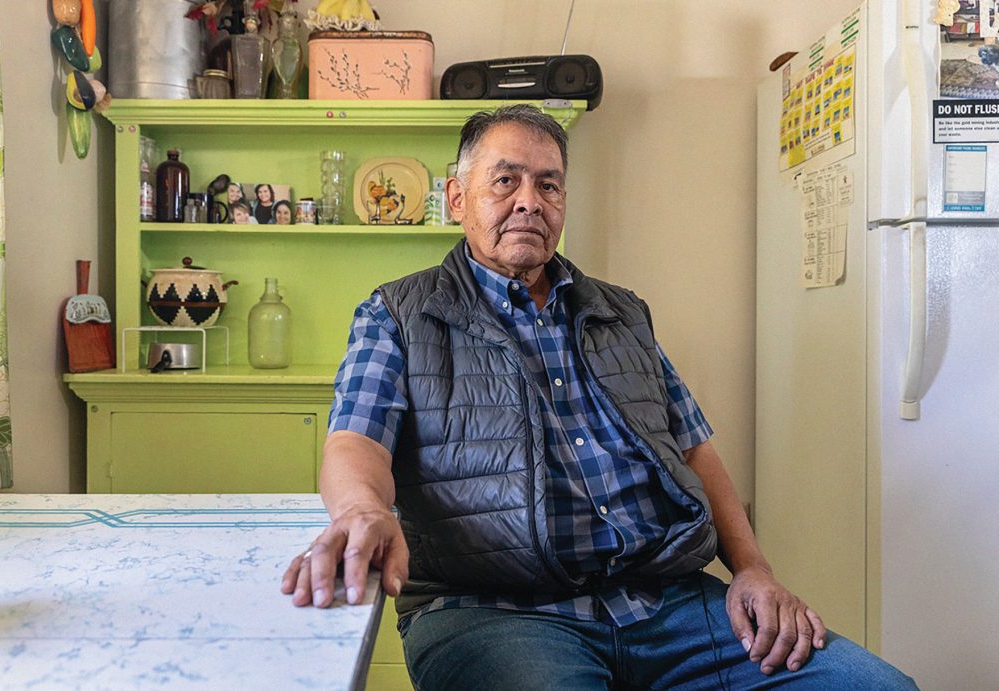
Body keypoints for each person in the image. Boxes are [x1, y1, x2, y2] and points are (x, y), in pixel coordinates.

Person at [281, 105, 916, 690]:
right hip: (495, 612)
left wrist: (753, 569)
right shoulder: (398, 313)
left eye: (549, 185)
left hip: (667, 603)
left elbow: (695, 453)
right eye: (506, 181)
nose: (529, 201)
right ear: (457, 198)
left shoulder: (622, 313)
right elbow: (355, 439)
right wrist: (362, 510)